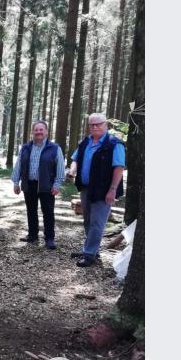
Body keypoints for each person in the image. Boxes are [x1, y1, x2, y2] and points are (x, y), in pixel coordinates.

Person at [68, 113, 126, 268]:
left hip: (104, 190)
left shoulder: (114, 144)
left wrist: (112, 190)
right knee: (87, 220)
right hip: (86, 188)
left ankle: (89, 254)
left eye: (98, 124)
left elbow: (119, 167)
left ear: (106, 125)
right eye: (91, 124)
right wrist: (72, 170)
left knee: (97, 222)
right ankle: (92, 250)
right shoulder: (86, 142)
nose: (95, 127)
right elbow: (75, 159)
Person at [11, 120, 65, 250]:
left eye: (41, 129)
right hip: (29, 184)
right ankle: (32, 235)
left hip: (47, 185)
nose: (38, 132)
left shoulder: (55, 148)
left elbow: (60, 167)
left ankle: (49, 238)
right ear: (32, 132)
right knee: (31, 211)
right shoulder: (25, 147)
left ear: (46, 132)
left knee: (48, 212)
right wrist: (16, 182)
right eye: (36, 130)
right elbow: (19, 165)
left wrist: (57, 184)